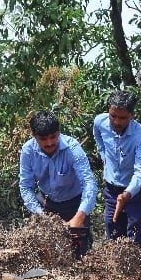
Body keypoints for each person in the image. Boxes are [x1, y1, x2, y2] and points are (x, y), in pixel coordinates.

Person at [19, 110, 98, 256]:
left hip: (75, 204)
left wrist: (79, 217)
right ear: (34, 136)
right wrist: (42, 217)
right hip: (47, 204)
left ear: (59, 132)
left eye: (53, 137)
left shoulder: (73, 148)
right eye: (43, 139)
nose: (49, 143)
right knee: (49, 254)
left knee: (81, 253)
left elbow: (89, 183)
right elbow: (25, 186)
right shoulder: (28, 151)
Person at [93, 90, 141, 247]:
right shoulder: (100, 122)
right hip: (111, 192)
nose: (117, 122)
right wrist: (104, 155)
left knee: (135, 241)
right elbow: (98, 137)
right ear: (108, 110)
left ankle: (137, 272)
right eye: (113, 116)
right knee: (113, 237)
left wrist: (127, 194)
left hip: (134, 194)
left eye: (122, 118)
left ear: (132, 115)